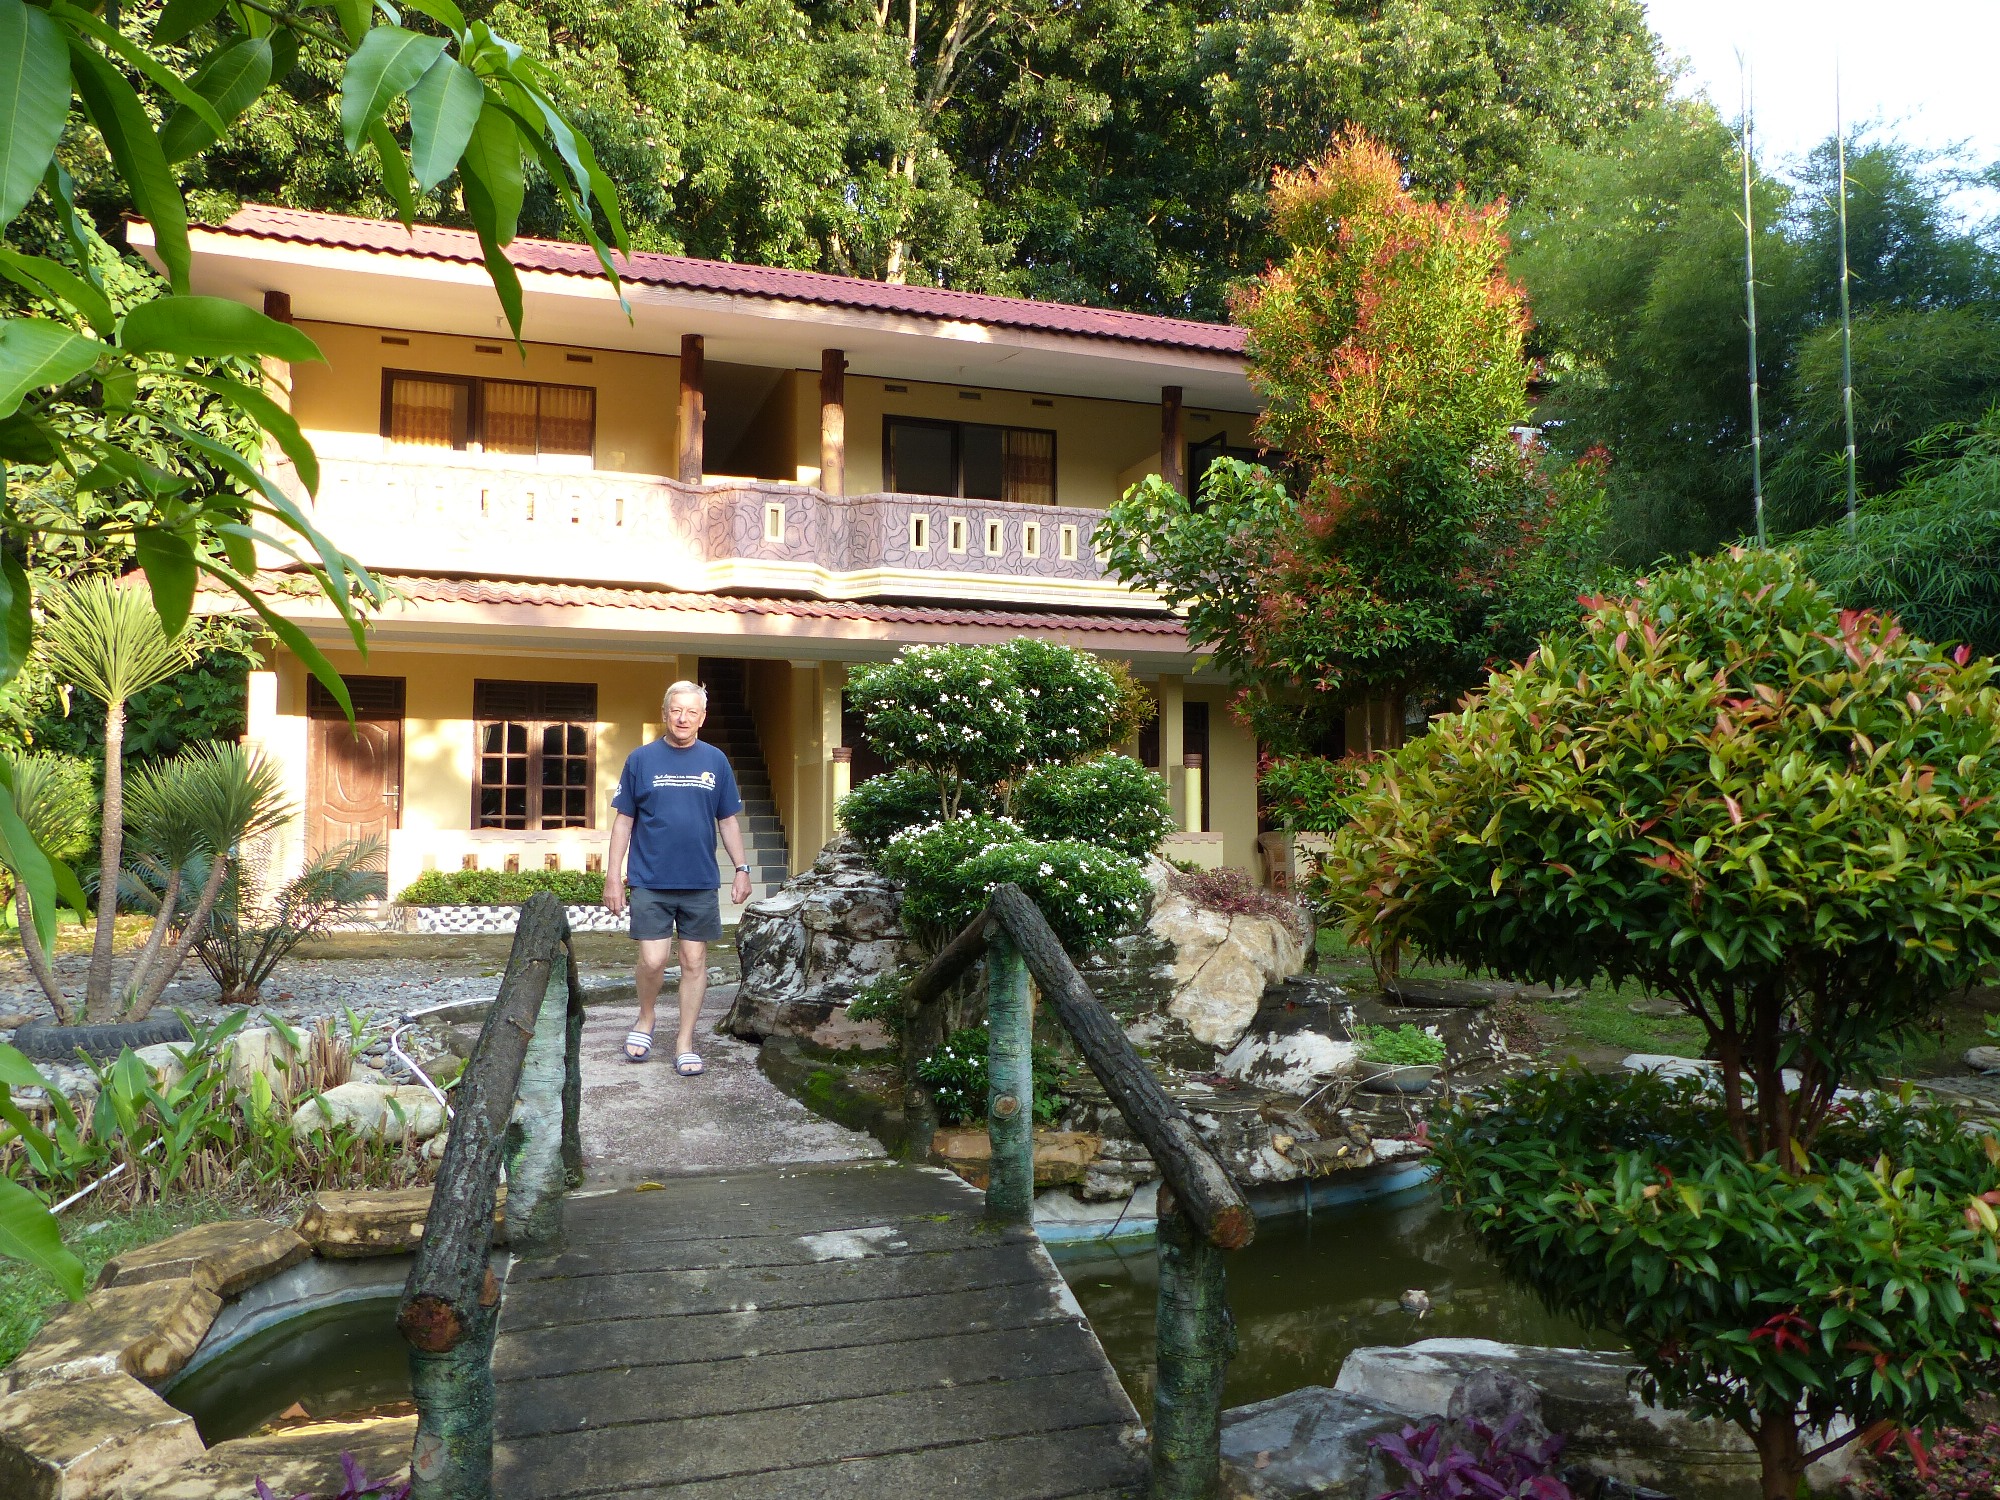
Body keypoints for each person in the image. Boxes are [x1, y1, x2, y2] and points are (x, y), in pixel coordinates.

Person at [604, 681, 754, 1074]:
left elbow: (728, 821)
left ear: (702, 718)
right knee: (653, 960)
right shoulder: (641, 760)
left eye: (691, 712)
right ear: (665, 714)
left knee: (694, 960)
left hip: (699, 881)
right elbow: (624, 822)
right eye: (676, 710)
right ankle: (646, 1017)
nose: (683, 718)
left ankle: (685, 1042)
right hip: (650, 879)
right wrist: (613, 876)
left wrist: (742, 869)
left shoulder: (716, 760)